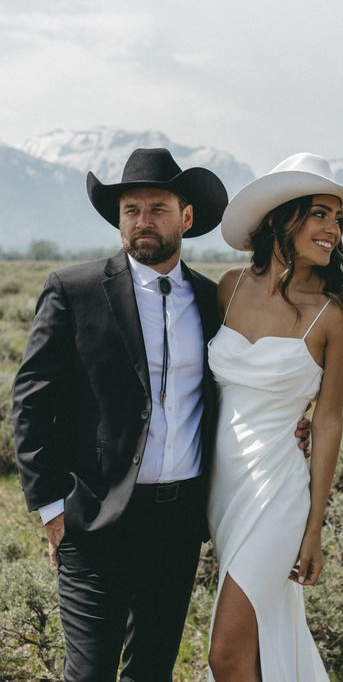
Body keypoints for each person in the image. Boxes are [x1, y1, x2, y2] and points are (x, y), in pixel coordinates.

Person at [12, 147, 310, 682]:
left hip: (177, 523)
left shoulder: (213, 298)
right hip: (94, 519)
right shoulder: (73, 291)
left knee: (151, 670)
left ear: (186, 217)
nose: (143, 222)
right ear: (118, 220)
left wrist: (291, 419)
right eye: (131, 210)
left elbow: (240, 384)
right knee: (88, 672)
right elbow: (31, 399)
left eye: (157, 208)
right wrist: (51, 508)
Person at [207, 152, 343, 681]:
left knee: (226, 654)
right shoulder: (229, 286)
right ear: (283, 218)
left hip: (277, 491)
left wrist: (314, 529)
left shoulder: (340, 311)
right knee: (260, 638)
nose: (333, 229)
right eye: (320, 214)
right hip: (221, 487)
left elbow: (328, 421)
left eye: (338, 219)